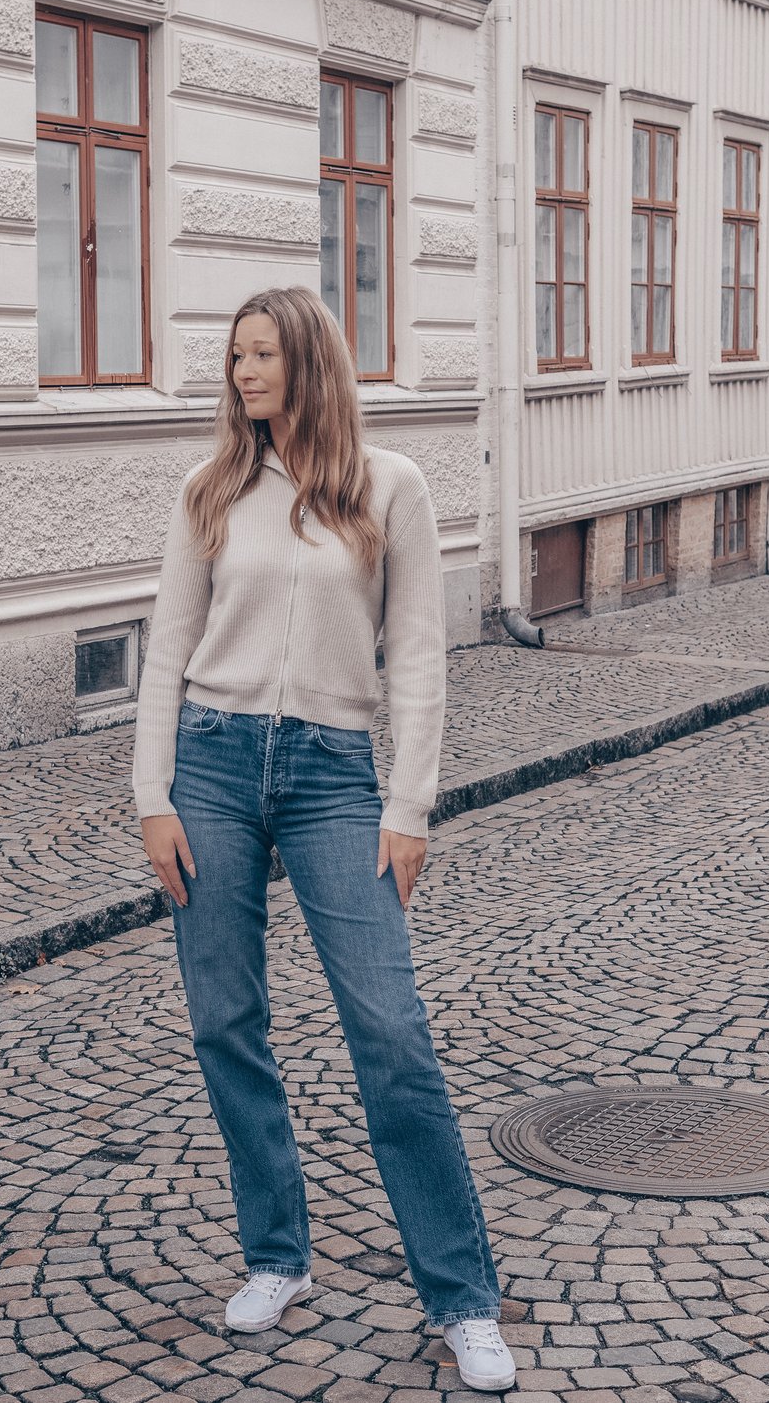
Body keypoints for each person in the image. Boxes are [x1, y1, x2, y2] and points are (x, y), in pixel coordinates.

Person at [132, 286, 515, 1393]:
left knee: (391, 1029)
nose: (244, 373)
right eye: (235, 356)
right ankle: (275, 1252)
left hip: (332, 773)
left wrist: (411, 805)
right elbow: (166, 645)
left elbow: (421, 654)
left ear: (309, 363)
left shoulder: (388, 487)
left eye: (263, 354)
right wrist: (150, 791)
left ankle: (462, 1295)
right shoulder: (210, 488)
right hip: (208, 760)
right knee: (225, 1019)